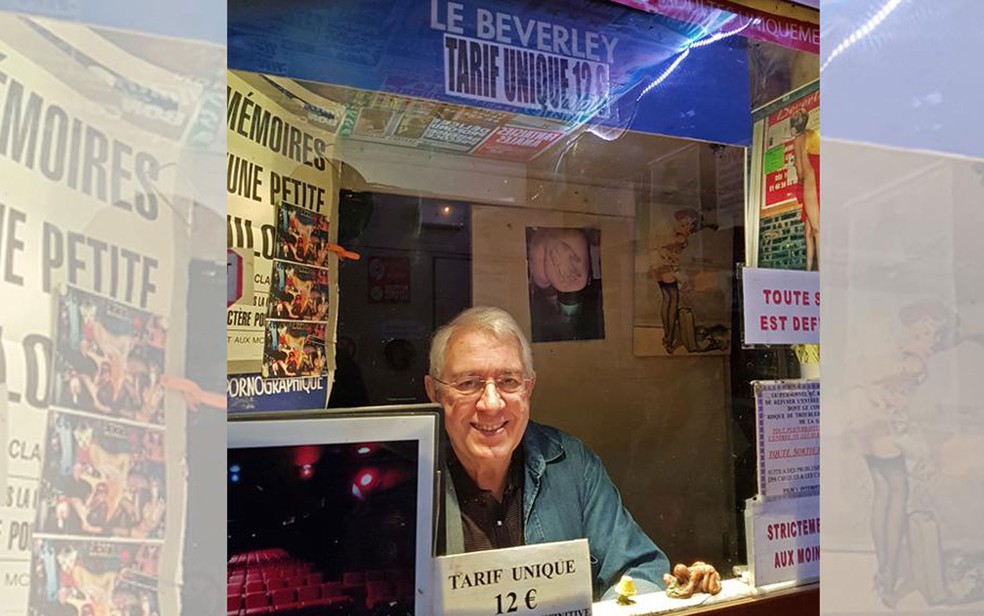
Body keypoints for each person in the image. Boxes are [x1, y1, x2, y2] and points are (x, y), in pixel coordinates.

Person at [424, 306, 673, 600]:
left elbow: (642, 571)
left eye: (508, 381)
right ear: (435, 392)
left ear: (529, 388)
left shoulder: (573, 465)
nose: (491, 404)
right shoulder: (409, 483)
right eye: (468, 383)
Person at [790, 109, 820, 271]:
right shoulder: (813, 135)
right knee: (808, 229)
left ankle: (818, 271)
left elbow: (800, 170)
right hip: (818, 179)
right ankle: (809, 271)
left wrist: (799, 182)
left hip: (810, 183)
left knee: (816, 229)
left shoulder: (798, 139)